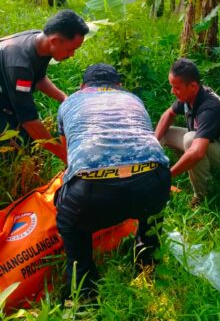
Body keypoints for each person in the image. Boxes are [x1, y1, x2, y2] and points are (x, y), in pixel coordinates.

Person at [56, 63, 171, 299]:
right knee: (151, 216)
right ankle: (147, 263)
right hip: (153, 181)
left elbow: (68, 156)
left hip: (91, 194)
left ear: (82, 86)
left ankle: (83, 294)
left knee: (70, 224)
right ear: (119, 86)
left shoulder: (69, 102)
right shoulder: (132, 99)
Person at [0, 10, 88, 161]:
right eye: (70, 49)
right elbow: (28, 120)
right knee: (11, 153)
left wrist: (64, 98)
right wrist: (65, 156)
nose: (72, 54)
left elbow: (39, 78)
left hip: (9, 92)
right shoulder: (20, 65)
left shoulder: (40, 43)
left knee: (27, 143)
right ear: (54, 40)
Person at [155, 58, 220, 206]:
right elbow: (168, 114)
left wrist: (168, 176)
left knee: (191, 140)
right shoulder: (189, 95)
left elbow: (197, 152)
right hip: (205, 143)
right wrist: (153, 143)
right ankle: (150, 176)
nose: (172, 91)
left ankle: (202, 196)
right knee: (165, 133)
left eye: (176, 88)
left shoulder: (209, 108)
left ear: (193, 86)